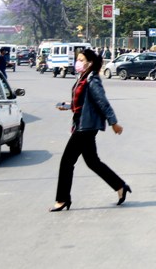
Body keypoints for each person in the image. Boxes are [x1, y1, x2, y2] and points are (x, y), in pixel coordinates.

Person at [50, 48, 130, 211]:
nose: (78, 62)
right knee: (92, 162)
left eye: (81, 60)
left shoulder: (92, 79)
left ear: (90, 63)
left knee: (67, 162)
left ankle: (63, 199)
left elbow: (102, 102)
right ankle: (120, 186)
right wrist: (67, 106)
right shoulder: (82, 77)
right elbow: (82, 102)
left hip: (86, 127)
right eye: (77, 59)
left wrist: (113, 122)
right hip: (81, 123)